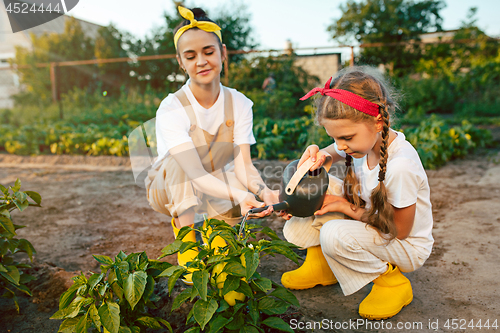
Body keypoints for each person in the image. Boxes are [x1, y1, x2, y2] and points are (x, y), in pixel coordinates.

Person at [280, 66, 433, 320]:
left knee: (334, 233)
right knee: (319, 188)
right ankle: (321, 265)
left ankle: (391, 282)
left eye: (346, 137)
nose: (341, 146)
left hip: (405, 244)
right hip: (376, 222)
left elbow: (400, 230)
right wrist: (314, 159)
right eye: (334, 137)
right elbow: (328, 156)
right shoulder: (360, 141)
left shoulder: (401, 165)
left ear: (378, 121)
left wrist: (343, 206)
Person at [145, 6, 278, 284]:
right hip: (169, 186)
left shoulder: (239, 103)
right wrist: (240, 196)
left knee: (226, 254)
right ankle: (187, 242)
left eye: (208, 51)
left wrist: (262, 190)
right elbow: (192, 173)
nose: (201, 61)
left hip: (215, 180)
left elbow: (244, 165)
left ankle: (216, 237)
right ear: (181, 62)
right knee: (180, 164)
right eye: (191, 56)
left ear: (223, 53)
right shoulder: (172, 107)